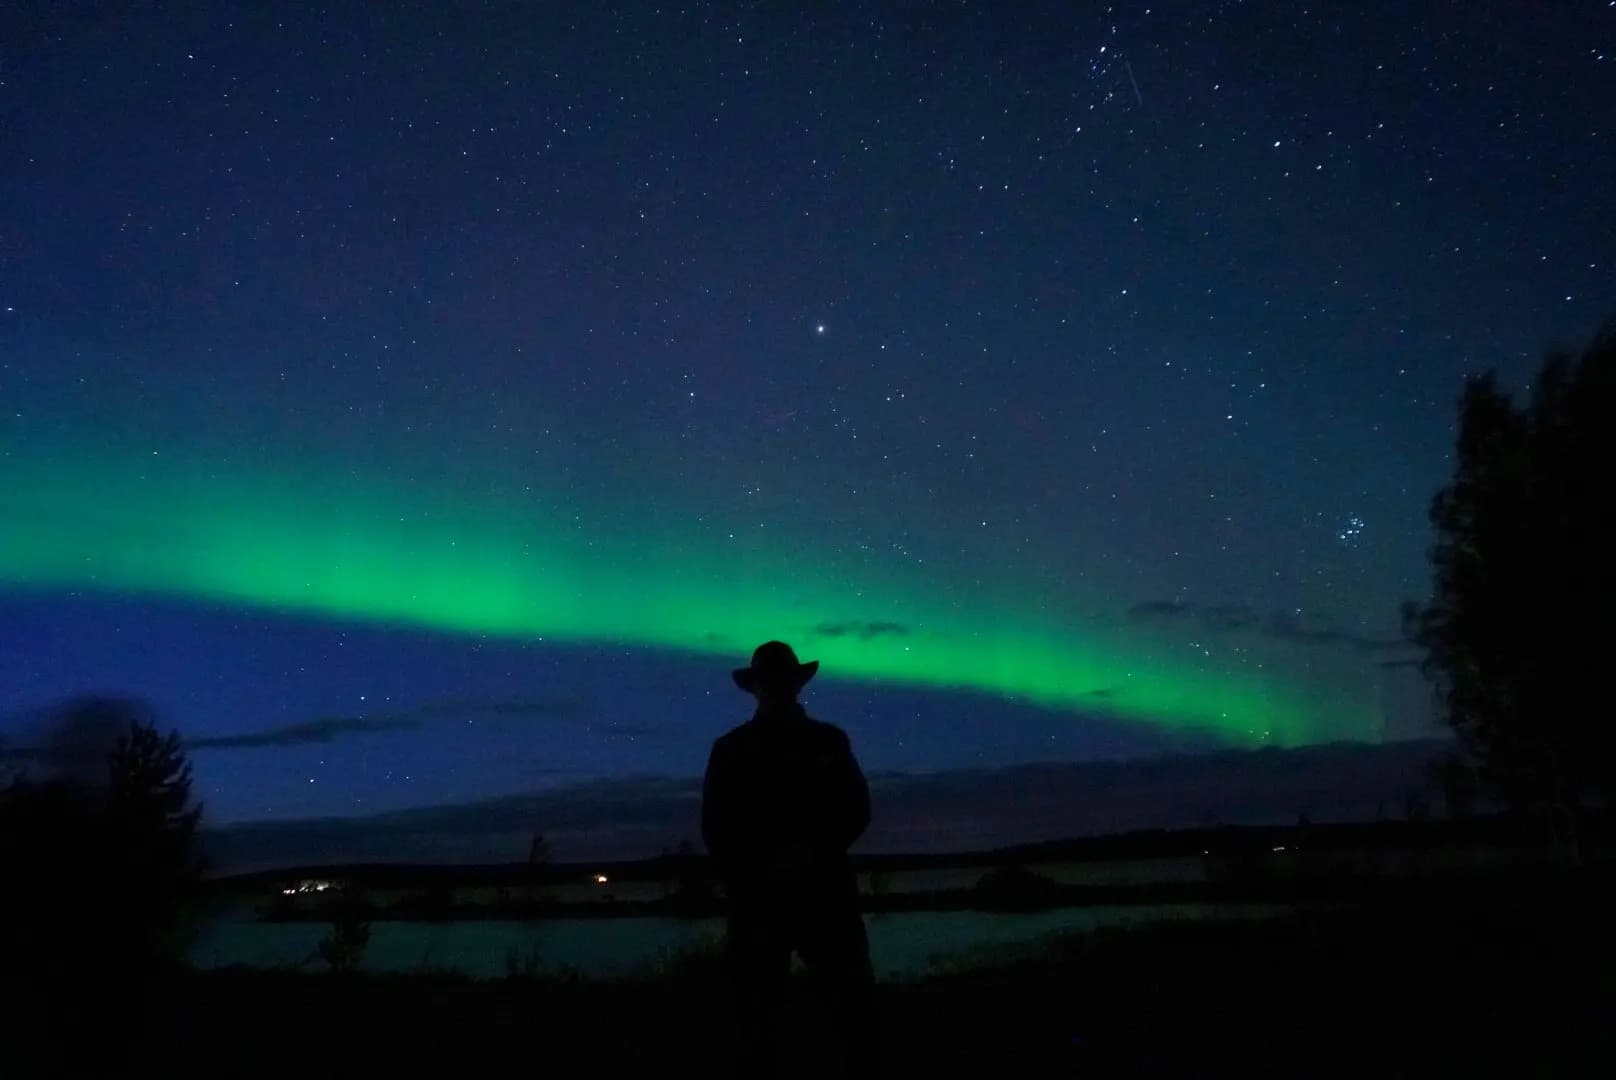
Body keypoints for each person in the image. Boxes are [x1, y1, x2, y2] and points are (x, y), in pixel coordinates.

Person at [701, 640, 879, 1079]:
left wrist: (807, 854)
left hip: (818, 896)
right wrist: (752, 877)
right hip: (769, 899)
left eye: (782, 679)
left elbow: (855, 810)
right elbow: (717, 827)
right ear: (757, 686)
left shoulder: (826, 740)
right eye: (770, 680)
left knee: (850, 1010)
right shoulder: (732, 749)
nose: (777, 687)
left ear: (794, 684)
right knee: (757, 1019)